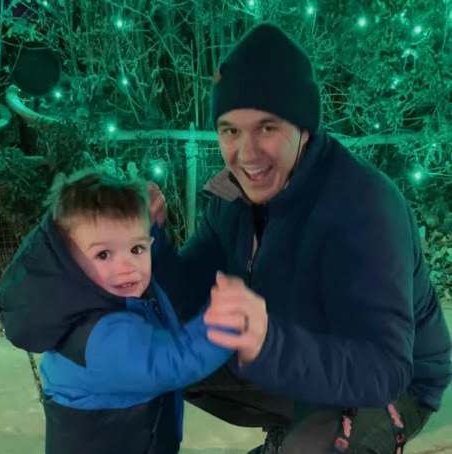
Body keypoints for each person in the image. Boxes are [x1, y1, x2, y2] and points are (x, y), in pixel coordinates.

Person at [149, 23, 452, 454]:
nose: (246, 154)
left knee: (314, 447)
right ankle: (293, 429)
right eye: (230, 130)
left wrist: (268, 343)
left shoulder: (364, 206)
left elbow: (384, 368)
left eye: (267, 128)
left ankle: (308, 437)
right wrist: (149, 241)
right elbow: (187, 300)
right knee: (148, 357)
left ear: (304, 128)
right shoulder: (230, 197)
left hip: (394, 381)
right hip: (290, 351)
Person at [0, 168, 235, 454]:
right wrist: (229, 321)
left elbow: (160, 288)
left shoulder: (95, 300)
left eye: (136, 249)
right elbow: (173, 362)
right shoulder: (101, 335)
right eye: (103, 254)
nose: (127, 267)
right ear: (68, 259)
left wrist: (152, 231)